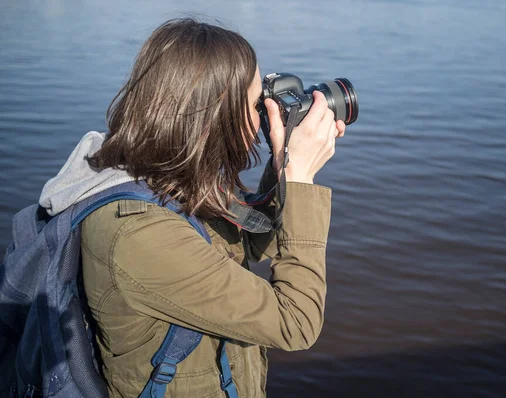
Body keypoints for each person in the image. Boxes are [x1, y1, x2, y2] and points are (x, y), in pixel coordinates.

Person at [37, 18, 346, 397]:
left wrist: (283, 162)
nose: (266, 112)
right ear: (214, 116)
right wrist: (300, 179)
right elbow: (295, 322)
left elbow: (253, 238)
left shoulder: (164, 174)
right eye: (255, 103)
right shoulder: (139, 235)